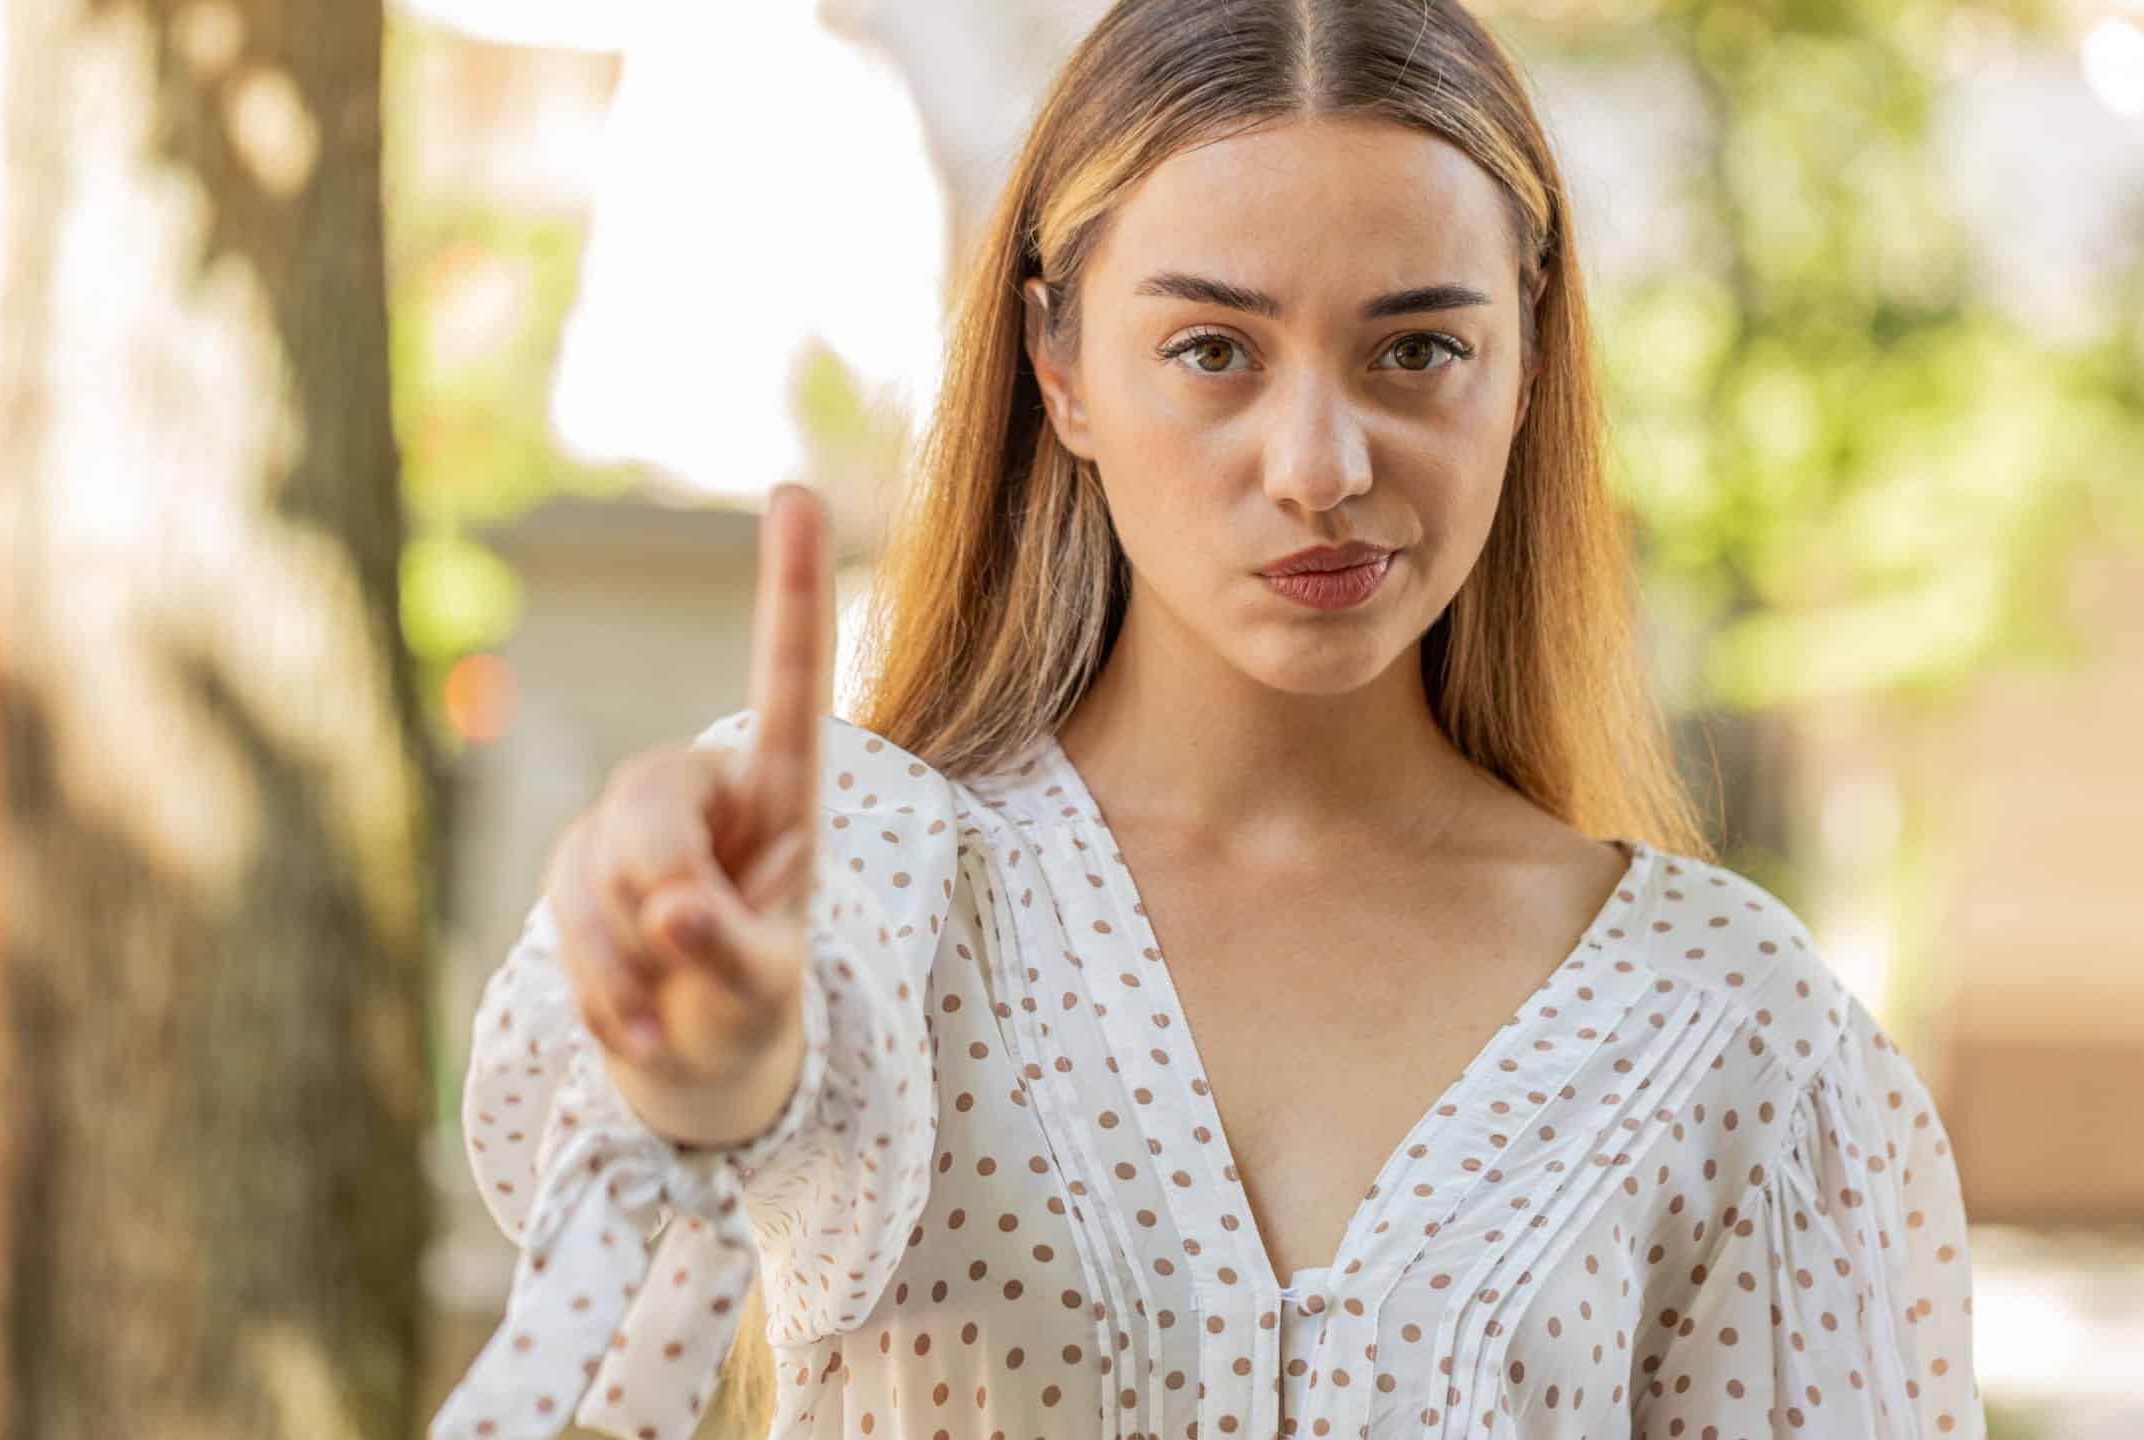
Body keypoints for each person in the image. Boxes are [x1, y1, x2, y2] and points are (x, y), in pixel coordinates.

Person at [429, 1, 1984, 1436]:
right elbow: (588, 1374)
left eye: (1418, 350)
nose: (1318, 463)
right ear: (1063, 365)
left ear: (1526, 361)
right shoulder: (864, 887)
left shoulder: (1728, 1027)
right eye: (1213, 351)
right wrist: (701, 1100)